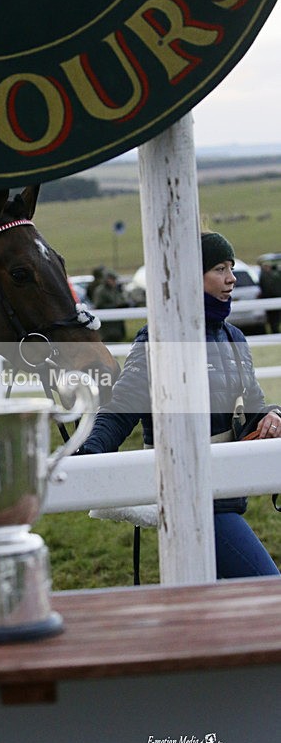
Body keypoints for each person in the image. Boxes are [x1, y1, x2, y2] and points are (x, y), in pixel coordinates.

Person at [79, 232, 281, 579]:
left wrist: (273, 417)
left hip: (225, 491)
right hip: (188, 497)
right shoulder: (159, 337)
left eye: (231, 268)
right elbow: (122, 407)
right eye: (220, 268)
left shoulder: (234, 338)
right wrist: (88, 454)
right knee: (266, 588)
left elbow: (251, 408)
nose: (231, 278)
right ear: (190, 275)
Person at [92, 268, 128, 342]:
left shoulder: (115, 290)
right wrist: (115, 306)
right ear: (107, 279)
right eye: (112, 279)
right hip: (106, 326)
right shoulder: (100, 291)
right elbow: (98, 306)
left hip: (117, 324)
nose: (114, 281)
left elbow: (121, 300)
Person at [259, 261, 281, 334]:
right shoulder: (267, 276)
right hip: (269, 299)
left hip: (273, 298)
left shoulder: (266, 276)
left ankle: (275, 331)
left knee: (275, 319)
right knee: (273, 319)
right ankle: (274, 330)